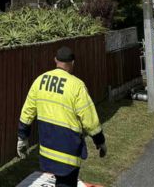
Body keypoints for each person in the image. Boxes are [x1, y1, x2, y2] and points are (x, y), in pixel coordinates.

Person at [17, 46, 107, 187]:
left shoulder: (39, 81)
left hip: (47, 151)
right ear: (73, 63)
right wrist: (100, 141)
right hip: (68, 153)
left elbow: (27, 113)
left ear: (55, 60)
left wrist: (22, 138)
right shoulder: (76, 86)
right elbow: (90, 121)